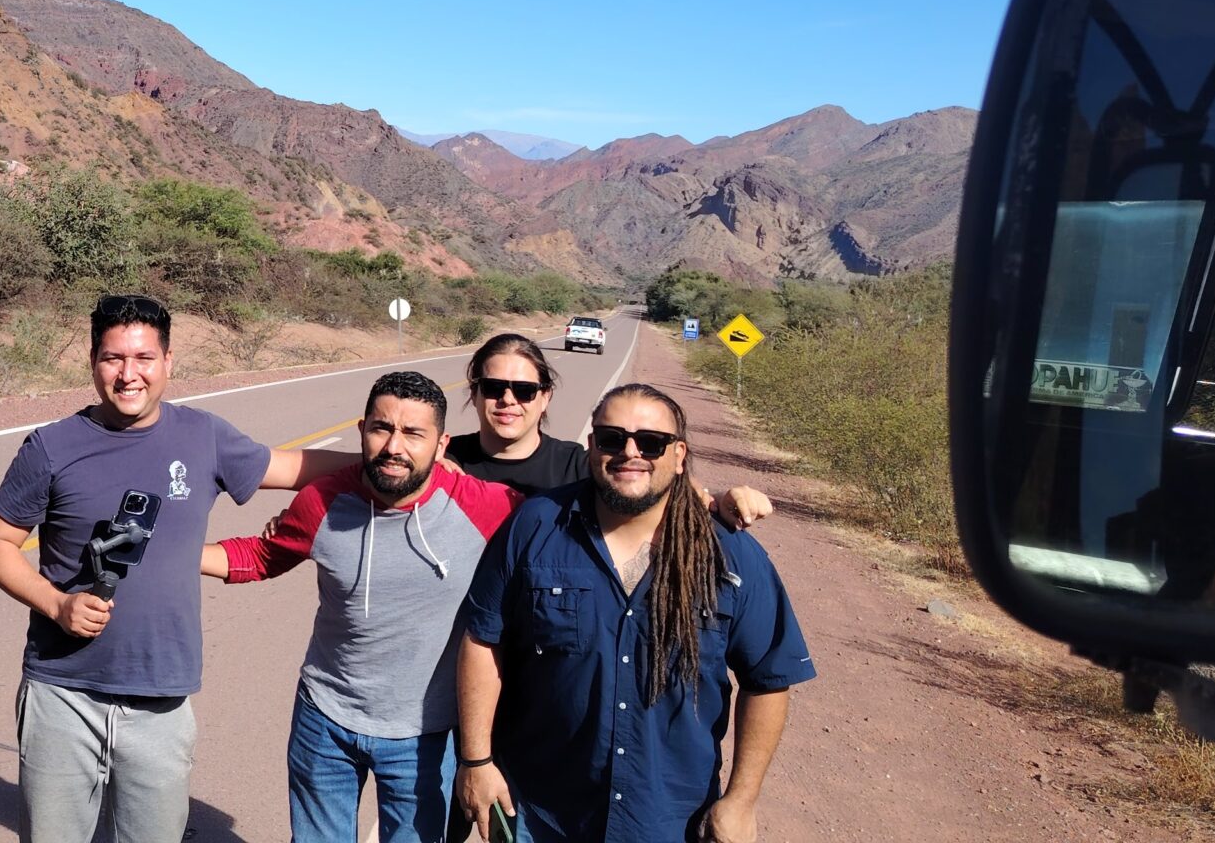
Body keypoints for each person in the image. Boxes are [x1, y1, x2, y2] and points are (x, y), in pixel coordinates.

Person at [0, 294, 354, 843]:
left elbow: (295, 467)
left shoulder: (203, 436)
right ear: (93, 361)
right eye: (113, 358)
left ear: (168, 362)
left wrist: (398, 462)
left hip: (161, 697)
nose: (128, 375)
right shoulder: (51, 447)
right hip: (63, 692)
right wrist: (57, 604)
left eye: (143, 358)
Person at [455, 383, 815, 843]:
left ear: (679, 455)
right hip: (540, 809)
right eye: (613, 439)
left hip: (669, 818)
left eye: (651, 442)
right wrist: (476, 760)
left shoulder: (729, 555)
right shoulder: (536, 526)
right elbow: (484, 640)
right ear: (592, 446)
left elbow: (767, 679)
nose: (630, 452)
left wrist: (741, 799)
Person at [200, 371, 523, 843]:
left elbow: (559, 536)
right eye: (381, 428)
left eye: (414, 433)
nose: (394, 446)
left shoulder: (488, 506)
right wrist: (174, 552)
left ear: (441, 445)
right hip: (324, 721)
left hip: (425, 735)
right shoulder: (323, 500)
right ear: (362, 431)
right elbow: (262, 556)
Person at [453, 332, 773, 525]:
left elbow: (656, 484)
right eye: (494, 387)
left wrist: (717, 500)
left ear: (545, 397)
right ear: (475, 392)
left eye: (524, 390)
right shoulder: (444, 459)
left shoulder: (577, 464)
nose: (508, 400)